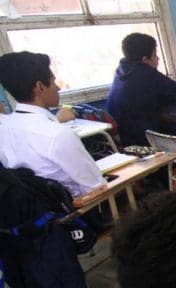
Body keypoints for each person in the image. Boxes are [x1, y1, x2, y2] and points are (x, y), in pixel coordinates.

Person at [0, 51, 105, 197]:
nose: (58, 88)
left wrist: (57, 120)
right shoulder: (59, 135)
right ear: (40, 87)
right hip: (80, 206)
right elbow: (96, 187)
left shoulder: (4, 128)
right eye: (53, 81)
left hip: (37, 206)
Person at [106, 33, 176, 146]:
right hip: (143, 139)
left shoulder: (121, 70)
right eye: (155, 55)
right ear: (145, 59)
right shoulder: (146, 74)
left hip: (124, 137)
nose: (158, 58)